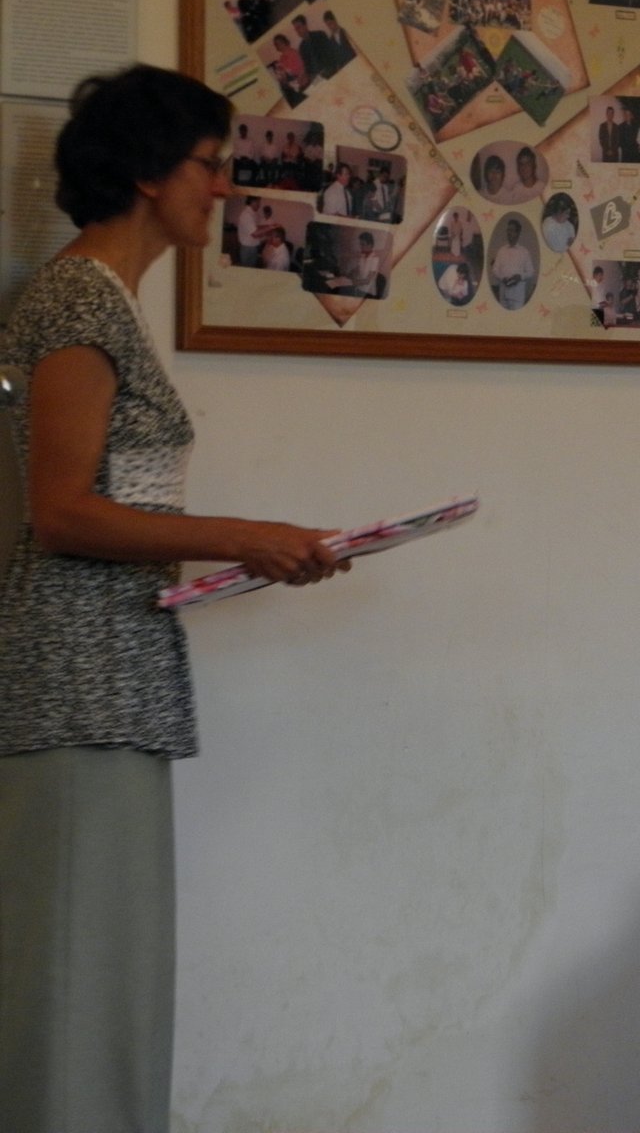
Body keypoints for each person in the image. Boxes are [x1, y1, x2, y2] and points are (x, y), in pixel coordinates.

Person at [0, 64, 346, 1133]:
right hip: (74, 688)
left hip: (112, 683)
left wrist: (244, 559)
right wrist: (243, 536)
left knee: (107, 987)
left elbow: (109, 508)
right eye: (210, 162)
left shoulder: (102, 302)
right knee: (76, 992)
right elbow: (62, 513)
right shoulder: (74, 301)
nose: (224, 185)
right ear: (150, 172)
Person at [490, 218, 535, 310]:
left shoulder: (524, 252)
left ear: (517, 233)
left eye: (511, 230)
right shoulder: (501, 250)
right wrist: (502, 278)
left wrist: (520, 276)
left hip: (517, 296)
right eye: (508, 230)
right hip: (503, 295)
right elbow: (495, 269)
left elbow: (531, 272)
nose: (509, 233)